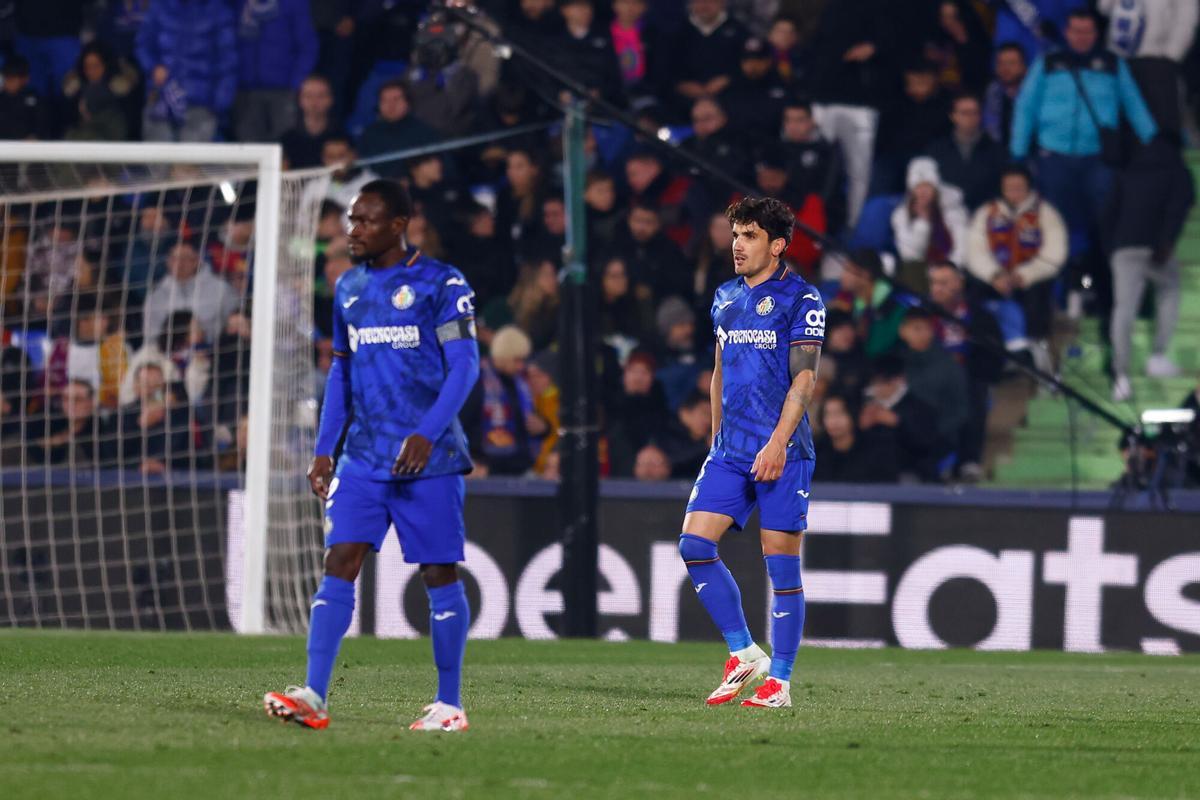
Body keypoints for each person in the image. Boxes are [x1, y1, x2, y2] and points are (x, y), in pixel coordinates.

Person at [264, 179, 480, 733]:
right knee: (340, 560)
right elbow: (341, 370)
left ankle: (449, 704)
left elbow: (465, 367)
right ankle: (313, 693)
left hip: (427, 459)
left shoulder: (442, 282)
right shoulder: (348, 287)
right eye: (351, 220)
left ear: (398, 224)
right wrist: (323, 449)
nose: (351, 230)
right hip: (363, 455)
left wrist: (428, 432)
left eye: (364, 221)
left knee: (438, 572)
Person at [679, 196, 824, 709]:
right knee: (694, 546)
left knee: (781, 566)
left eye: (750, 236)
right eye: (735, 234)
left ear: (778, 245)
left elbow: (804, 378)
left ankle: (779, 683)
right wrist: (716, 440)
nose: (737, 245)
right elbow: (719, 372)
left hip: (783, 450)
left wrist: (777, 444)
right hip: (731, 449)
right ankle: (743, 651)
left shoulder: (801, 300)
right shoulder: (724, 297)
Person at [1010, 10, 1158, 269]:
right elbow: (1026, 107)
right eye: (1076, 31)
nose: (1081, 37)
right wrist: (1018, 152)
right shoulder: (1048, 62)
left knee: (1105, 220)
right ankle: (1059, 285)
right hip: (1053, 157)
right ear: (1067, 32)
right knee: (1054, 224)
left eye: (1087, 31)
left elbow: (1134, 105)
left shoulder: (1112, 64)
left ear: (1096, 34)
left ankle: (1101, 282)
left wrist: (1156, 145)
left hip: (1097, 157)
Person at [1105, 138, 1195, 402]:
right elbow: (1179, 206)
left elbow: (1108, 213)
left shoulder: (1127, 172)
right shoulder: (1176, 170)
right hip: (1156, 248)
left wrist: (1111, 248)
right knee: (1169, 291)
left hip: (1123, 248)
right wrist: (1166, 241)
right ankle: (1156, 356)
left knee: (1124, 309)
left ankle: (1121, 377)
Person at [965, 165, 1067, 342]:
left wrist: (1024, 275)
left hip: (1030, 279)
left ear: (1029, 187)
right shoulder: (986, 212)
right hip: (994, 278)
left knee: (1039, 296)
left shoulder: (1046, 213)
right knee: (972, 293)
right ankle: (984, 345)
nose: (1014, 193)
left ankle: (1034, 349)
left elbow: (1055, 255)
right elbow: (974, 251)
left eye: (1019, 188)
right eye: (1009, 188)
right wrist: (995, 275)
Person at [136, 0, 237, 143]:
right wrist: (153, 67)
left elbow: (228, 61)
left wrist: (219, 104)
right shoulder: (159, 6)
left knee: (189, 163)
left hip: (201, 105)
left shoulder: (218, 11)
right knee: (157, 163)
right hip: (161, 99)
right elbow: (143, 45)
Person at [142, 241, 239, 346]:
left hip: (212, 352)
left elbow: (233, 322)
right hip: (168, 356)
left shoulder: (221, 289)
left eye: (185, 259)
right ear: (168, 262)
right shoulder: (156, 297)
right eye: (174, 259)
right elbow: (150, 338)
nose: (179, 264)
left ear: (196, 261)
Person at [926, 93, 1006, 212]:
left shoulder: (997, 150)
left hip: (986, 213)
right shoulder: (936, 149)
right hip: (947, 214)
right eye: (965, 113)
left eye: (975, 112)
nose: (970, 117)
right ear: (953, 116)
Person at [891, 157, 969, 274]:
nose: (923, 192)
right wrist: (922, 224)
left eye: (927, 186)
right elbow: (909, 255)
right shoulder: (901, 215)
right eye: (918, 187)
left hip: (953, 270)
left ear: (936, 188)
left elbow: (962, 244)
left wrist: (950, 269)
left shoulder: (953, 209)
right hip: (920, 273)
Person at [812, 393, 898, 483]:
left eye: (840, 413)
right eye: (828, 414)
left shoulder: (875, 449)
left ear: (853, 414)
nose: (834, 420)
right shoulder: (816, 449)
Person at [279, 74, 341, 169]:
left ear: (331, 99)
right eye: (308, 96)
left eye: (321, 96)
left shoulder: (342, 138)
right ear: (299, 100)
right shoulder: (286, 140)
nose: (314, 102)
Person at [983, 43, 1027, 148]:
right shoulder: (993, 90)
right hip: (999, 154)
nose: (1005, 68)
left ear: (1023, 66)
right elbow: (991, 126)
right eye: (1001, 63)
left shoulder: (1034, 91)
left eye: (1012, 63)